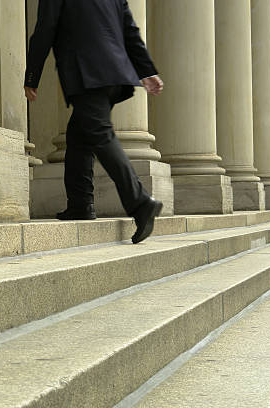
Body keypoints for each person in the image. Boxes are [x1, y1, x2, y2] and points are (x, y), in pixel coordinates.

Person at [25, 0, 164, 244]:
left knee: (99, 133)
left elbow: (45, 28)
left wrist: (32, 75)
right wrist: (146, 70)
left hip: (87, 72)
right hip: (113, 73)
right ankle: (80, 204)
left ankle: (140, 202)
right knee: (79, 134)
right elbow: (129, 31)